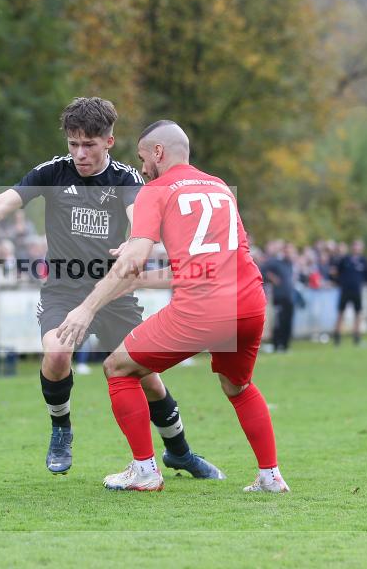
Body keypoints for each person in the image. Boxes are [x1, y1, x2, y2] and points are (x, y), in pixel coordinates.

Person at [0, 97, 221, 479]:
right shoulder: (52, 172)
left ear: (109, 142)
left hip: (112, 294)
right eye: (73, 144)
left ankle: (179, 451)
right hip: (63, 291)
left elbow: (139, 222)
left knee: (147, 378)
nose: (80, 153)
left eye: (89, 145)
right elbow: (0, 205)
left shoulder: (126, 180)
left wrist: (133, 244)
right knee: (57, 353)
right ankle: (61, 428)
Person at [56, 120, 287, 493]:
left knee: (117, 368)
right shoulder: (219, 188)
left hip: (203, 309)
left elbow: (135, 261)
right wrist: (134, 279)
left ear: (158, 153)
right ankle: (270, 476)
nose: (142, 166)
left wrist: (87, 307)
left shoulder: (156, 190)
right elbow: (204, 264)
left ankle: (145, 470)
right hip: (249, 304)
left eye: (144, 157)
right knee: (238, 385)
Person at [331, 239, 367, 345]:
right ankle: (337, 337)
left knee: (358, 313)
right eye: (355, 246)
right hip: (345, 290)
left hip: (357, 291)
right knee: (341, 312)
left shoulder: (364, 261)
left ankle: (356, 336)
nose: (356, 248)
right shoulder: (345, 259)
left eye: (358, 246)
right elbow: (336, 273)